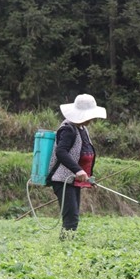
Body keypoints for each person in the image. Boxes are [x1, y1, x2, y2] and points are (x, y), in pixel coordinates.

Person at [46, 94, 107, 239]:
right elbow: (61, 151)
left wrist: (88, 177)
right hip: (63, 180)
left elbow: (84, 154)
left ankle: (67, 246)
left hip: (74, 180)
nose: (92, 119)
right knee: (71, 218)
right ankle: (65, 249)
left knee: (73, 216)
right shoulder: (68, 129)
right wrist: (78, 170)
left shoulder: (82, 129)